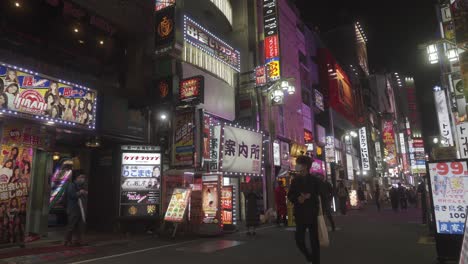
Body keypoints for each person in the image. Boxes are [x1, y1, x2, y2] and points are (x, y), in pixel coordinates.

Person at [288, 155, 321, 264]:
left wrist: (310, 196)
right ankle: (308, 255)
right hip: (300, 214)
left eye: (299, 164)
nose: (296, 166)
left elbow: (320, 194)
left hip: (312, 213)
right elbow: (290, 195)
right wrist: (297, 199)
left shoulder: (315, 180)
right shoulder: (295, 181)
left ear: (306, 166)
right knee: (299, 240)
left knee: (314, 241)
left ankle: (316, 261)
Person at [64, 173, 88, 246]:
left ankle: (78, 240)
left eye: (84, 177)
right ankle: (67, 241)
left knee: (80, 225)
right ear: (77, 178)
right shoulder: (72, 185)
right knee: (71, 225)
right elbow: (72, 195)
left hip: (80, 208)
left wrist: (84, 192)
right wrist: (80, 192)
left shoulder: (81, 186)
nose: (83, 179)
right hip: (73, 208)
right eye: (81, 177)